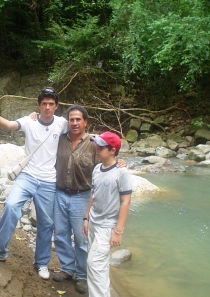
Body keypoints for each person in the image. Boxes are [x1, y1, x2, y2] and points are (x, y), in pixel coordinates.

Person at [0, 87, 68, 280]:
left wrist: (113, 155)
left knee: (46, 222)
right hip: (27, 175)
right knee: (10, 205)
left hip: (49, 180)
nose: (48, 107)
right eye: (44, 104)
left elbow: (80, 131)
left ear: (56, 106)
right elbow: (9, 126)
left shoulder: (62, 124)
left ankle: (42, 263)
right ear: (38, 105)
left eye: (51, 104)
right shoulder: (29, 121)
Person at [52, 106, 126, 294]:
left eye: (78, 119)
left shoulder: (94, 144)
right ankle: (68, 269)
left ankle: (83, 276)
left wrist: (121, 162)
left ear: (85, 122)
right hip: (60, 192)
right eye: (71, 119)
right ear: (67, 121)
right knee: (60, 234)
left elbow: (108, 160)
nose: (74, 123)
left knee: (81, 238)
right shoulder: (61, 139)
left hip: (82, 195)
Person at [82, 132, 132, 297]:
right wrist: (86, 217)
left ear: (112, 150)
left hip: (107, 226)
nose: (97, 149)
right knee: (98, 266)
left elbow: (125, 202)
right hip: (94, 222)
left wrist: (118, 231)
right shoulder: (97, 168)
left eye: (101, 147)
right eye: (97, 145)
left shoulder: (122, 172)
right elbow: (93, 194)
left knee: (94, 264)